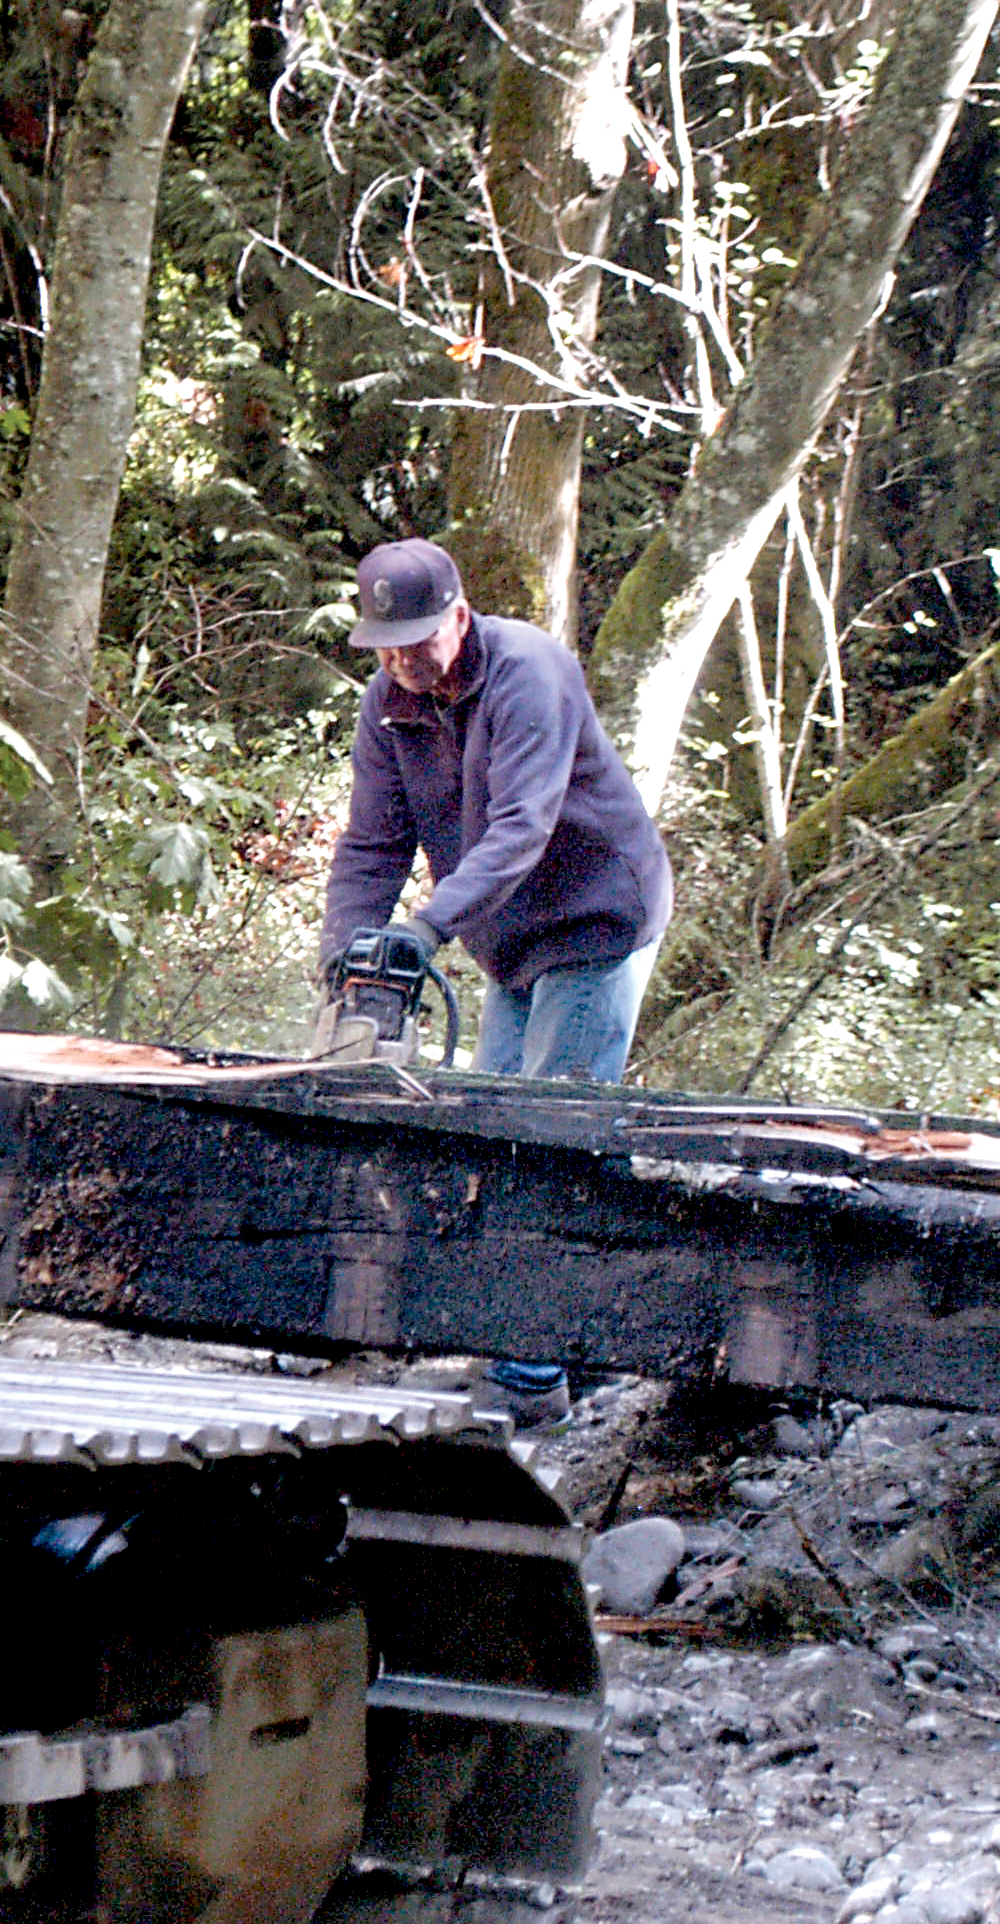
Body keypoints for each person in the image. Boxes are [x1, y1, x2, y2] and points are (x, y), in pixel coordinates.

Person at [319, 535, 672, 1423]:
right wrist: (349, 951)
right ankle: (589, 1353)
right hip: (507, 936)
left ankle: (530, 1374)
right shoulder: (388, 706)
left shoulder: (529, 674)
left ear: (460, 617)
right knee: (494, 1131)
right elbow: (372, 844)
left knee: (552, 1130)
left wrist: (426, 928)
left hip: (594, 916)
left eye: (417, 641)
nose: (402, 662)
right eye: (386, 647)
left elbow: (522, 827)